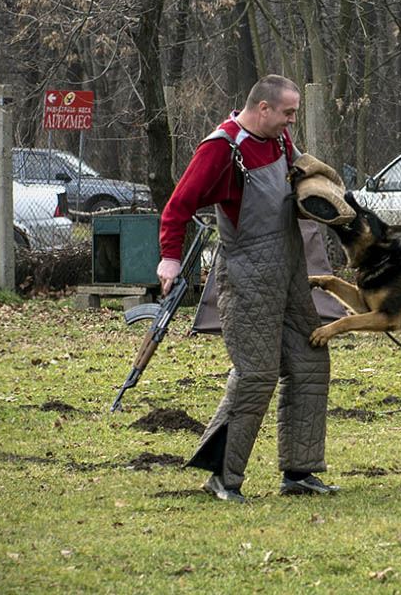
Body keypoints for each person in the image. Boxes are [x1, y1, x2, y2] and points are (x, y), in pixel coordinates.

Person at [157, 74, 339, 502]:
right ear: (263, 109)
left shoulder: (277, 141)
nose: (291, 123)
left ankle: (299, 472)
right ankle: (222, 475)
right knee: (256, 376)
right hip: (247, 277)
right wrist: (169, 257)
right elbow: (178, 205)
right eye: (287, 114)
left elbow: (295, 176)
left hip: (291, 272)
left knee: (310, 363)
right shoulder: (221, 148)